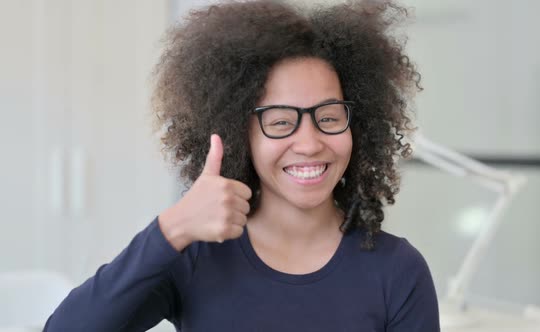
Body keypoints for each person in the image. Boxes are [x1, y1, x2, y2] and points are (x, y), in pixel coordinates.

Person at [44, 0, 440, 331]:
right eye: (281, 122)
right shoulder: (196, 256)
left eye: (330, 117)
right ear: (239, 134)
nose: (309, 142)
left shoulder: (398, 272)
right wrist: (173, 228)